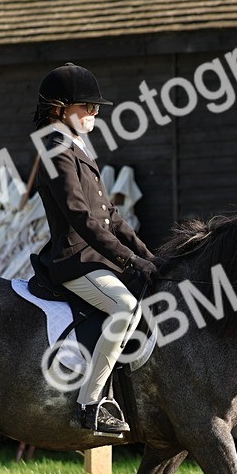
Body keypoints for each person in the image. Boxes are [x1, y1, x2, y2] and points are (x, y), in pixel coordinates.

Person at [32, 63, 158, 434]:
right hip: (73, 259)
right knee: (125, 306)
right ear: (60, 109)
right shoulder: (56, 151)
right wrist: (127, 258)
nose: (94, 113)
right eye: (86, 106)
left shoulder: (76, 148)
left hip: (95, 258)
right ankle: (89, 405)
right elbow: (80, 218)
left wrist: (149, 258)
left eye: (95, 107)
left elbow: (111, 216)